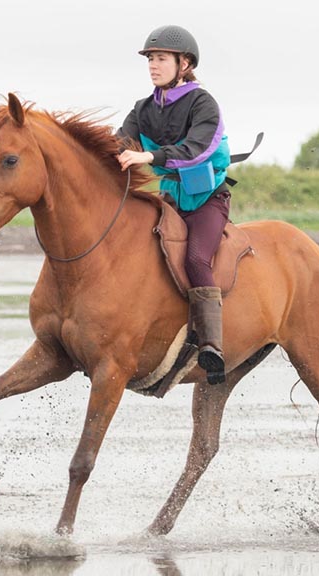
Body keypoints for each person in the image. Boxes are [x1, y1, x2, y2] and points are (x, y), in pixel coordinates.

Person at [116, 24, 231, 385]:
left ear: (184, 64)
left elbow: (196, 148)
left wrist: (148, 156)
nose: (153, 64)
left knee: (196, 258)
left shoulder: (203, 104)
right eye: (150, 58)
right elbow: (120, 142)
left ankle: (212, 346)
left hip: (208, 202)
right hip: (170, 200)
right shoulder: (143, 108)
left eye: (161, 58)